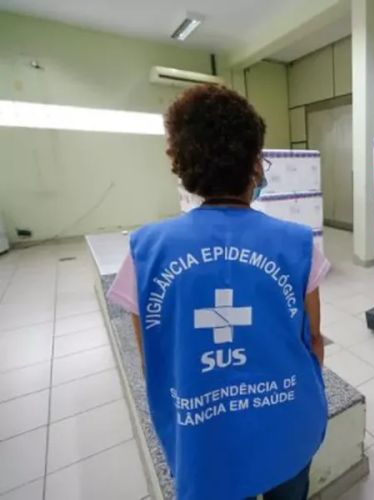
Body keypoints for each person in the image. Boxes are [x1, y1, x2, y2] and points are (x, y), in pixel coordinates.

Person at [107, 85, 329, 499]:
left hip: (204, 443)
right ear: (254, 166)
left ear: (183, 166)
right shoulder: (298, 244)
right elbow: (314, 341)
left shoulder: (145, 252)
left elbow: (153, 359)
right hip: (287, 431)